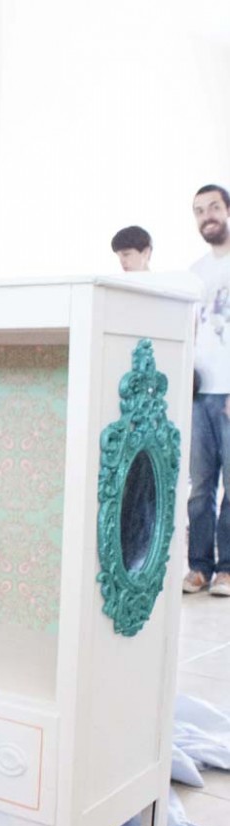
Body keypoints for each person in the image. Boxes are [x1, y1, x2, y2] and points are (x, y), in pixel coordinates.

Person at [184, 184, 230, 596]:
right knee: (200, 486)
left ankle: (227, 570)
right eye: (199, 211)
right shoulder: (195, 273)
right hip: (199, 394)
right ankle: (198, 567)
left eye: (213, 207)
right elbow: (189, 331)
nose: (206, 216)